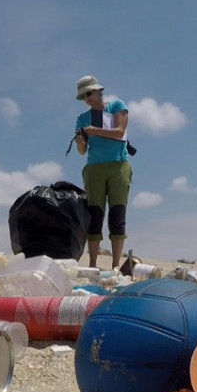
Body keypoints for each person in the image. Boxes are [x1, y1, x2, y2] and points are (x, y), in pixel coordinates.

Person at [73, 75, 131, 270]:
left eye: (89, 93)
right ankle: (92, 265)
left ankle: (115, 266)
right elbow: (82, 151)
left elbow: (119, 131)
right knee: (94, 216)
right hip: (94, 168)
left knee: (117, 214)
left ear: (99, 91)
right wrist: (80, 143)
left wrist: (94, 130)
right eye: (83, 96)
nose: (87, 98)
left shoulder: (116, 105)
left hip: (118, 165)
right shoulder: (81, 119)